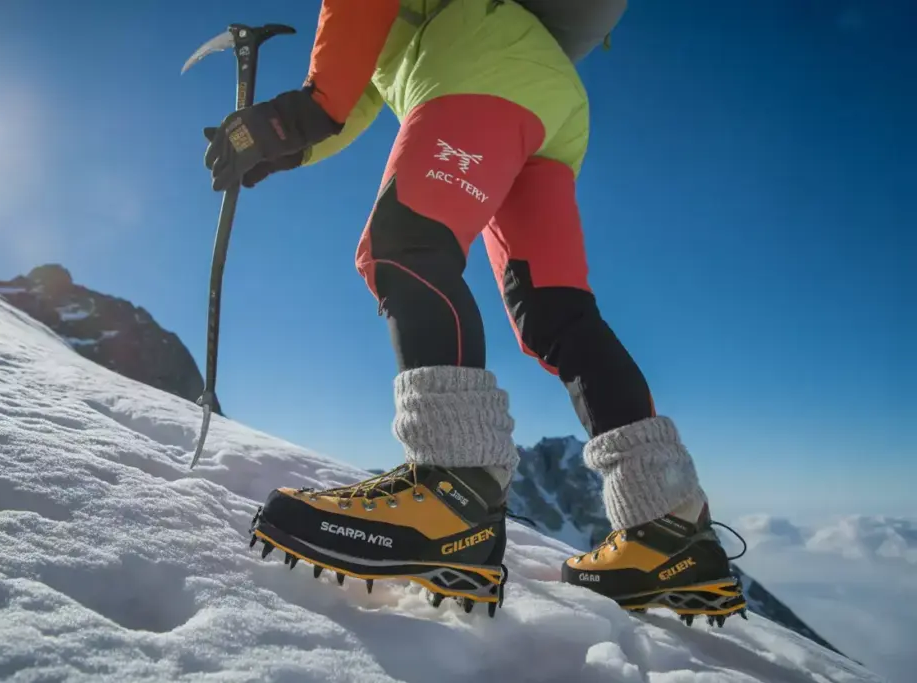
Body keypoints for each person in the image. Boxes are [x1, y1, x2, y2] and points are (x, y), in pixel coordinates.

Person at [203, 0, 746, 621]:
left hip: (481, 63)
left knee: (406, 247)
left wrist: (300, 113)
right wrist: (282, 145)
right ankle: (670, 529)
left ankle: (453, 494)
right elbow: (356, 97)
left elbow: (348, 40)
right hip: (544, 98)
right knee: (558, 316)